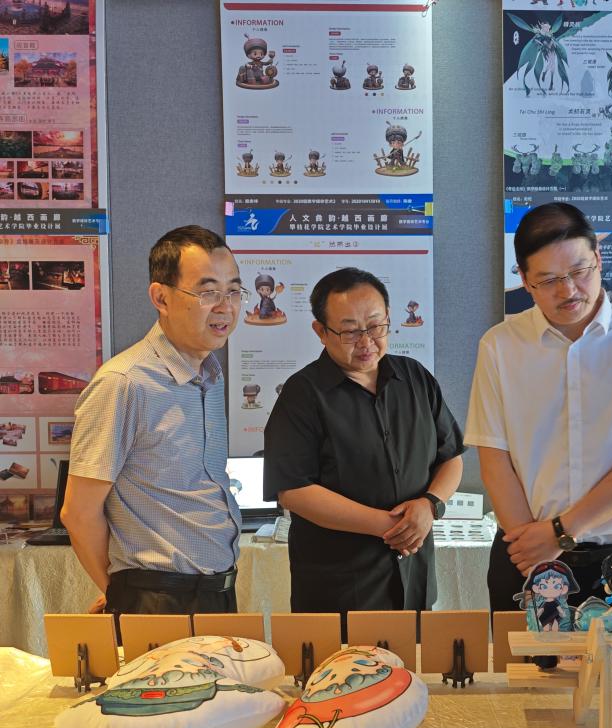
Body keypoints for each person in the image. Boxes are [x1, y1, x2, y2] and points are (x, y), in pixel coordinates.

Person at [465, 202, 612, 616]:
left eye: (579, 271)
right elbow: (495, 460)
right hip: (525, 558)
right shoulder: (500, 345)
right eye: (548, 280)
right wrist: (535, 553)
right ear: (524, 280)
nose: (568, 291)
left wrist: (560, 532)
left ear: (598, 258)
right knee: (521, 661)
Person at [263, 268, 464, 635]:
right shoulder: (302, 395)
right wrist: (389, 526)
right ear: (321, 331)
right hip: (339, 588)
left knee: (414, 668)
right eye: (350, 331)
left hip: (413, 577)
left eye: (375, 326)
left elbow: (450, 456)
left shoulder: (415, 377)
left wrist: (430, 504)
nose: (367, 341)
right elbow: (293, 490)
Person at [62, 226, 246, 617]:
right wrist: (119, 593)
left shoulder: (210, 376)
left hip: (214, 591)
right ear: (161, 297)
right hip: (158, 598)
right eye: (208, 292)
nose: (225, 307)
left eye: (233, 291)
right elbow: (78, 514)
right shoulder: (124, 383)